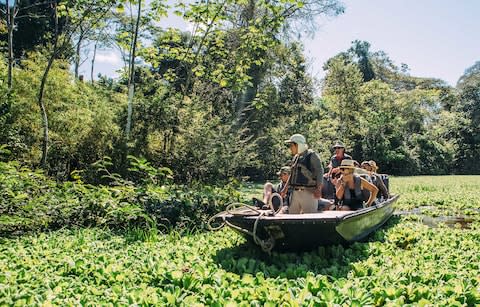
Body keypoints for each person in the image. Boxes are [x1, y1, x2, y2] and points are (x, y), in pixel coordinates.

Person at [284, 134, 324, 214]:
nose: (290, 148)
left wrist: (318, 189)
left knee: (310, 218)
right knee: (292, 218)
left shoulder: (312, 155)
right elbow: (292, 174)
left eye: (292, 145)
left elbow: (320, 171)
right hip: (295, 193)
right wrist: (285, 188)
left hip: (309, 193)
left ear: (298, 144)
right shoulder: (296, 158)